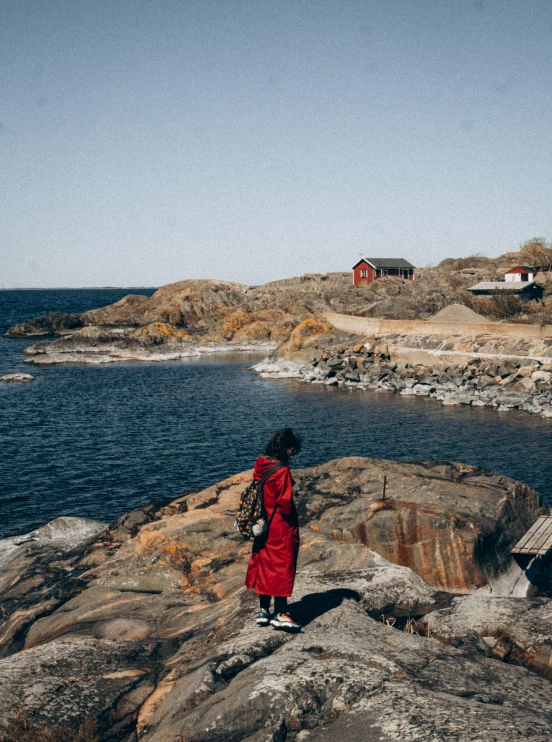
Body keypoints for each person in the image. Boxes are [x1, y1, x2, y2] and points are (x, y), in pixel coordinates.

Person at [245, 428, 302, 631]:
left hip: (263, 524)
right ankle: (280, 613)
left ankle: (263, 611)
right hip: (280, 526)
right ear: (287, 448)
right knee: (281, 567)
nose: (292, 453)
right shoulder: (282, 472)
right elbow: (285, 502)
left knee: (265, 565)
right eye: (292, 449)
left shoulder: (262, 466)